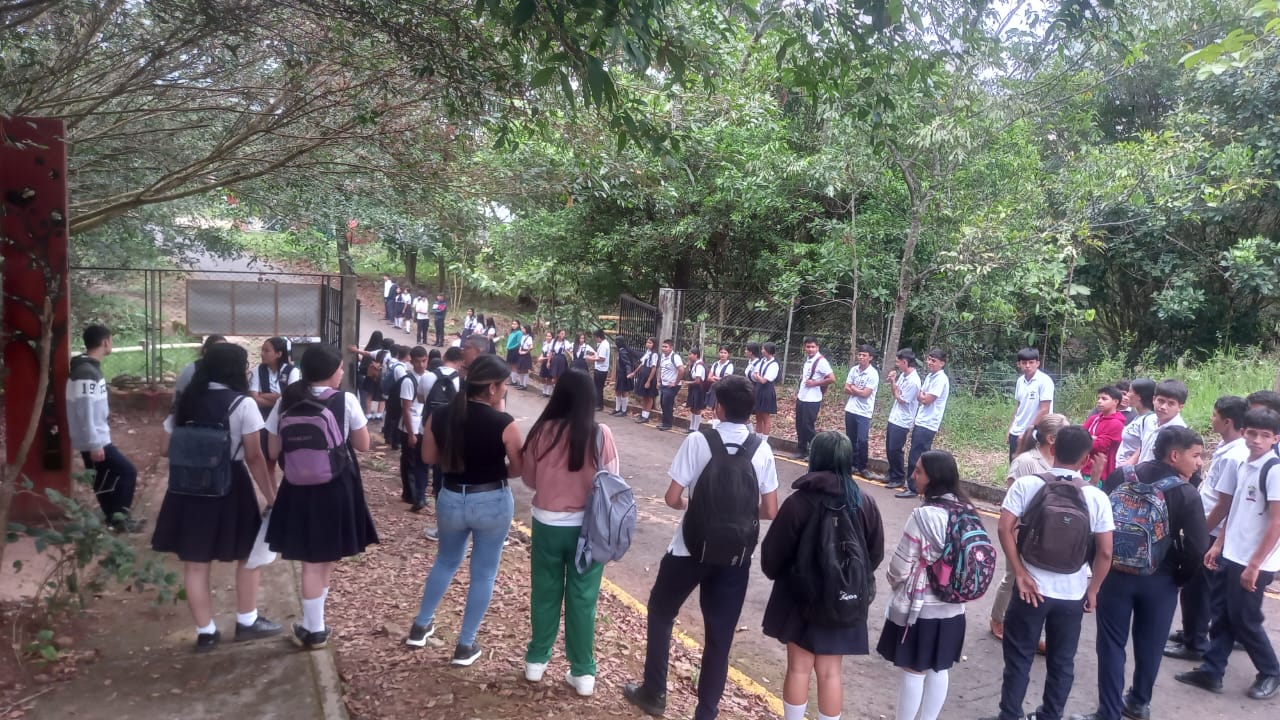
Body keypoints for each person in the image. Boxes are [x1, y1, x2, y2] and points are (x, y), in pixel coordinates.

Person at [622, 375, 780, 720]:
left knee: (662, 612)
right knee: (719, 637)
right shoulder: (762, 449)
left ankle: (653, 692)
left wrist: (692, 507)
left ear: (718, 407)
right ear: (751, 411)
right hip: (736, 556)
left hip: (689, 549)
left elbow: (672, 497)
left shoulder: (698, 440)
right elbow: (770, 510)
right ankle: (706, 712)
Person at [1070, 427, 1209, 720]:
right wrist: (1178, 578)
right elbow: (1197, 549)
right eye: (1196, 456)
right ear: (1175, 455)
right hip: (1160, 579)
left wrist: (1097, 569)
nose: (1199, 463)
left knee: (1110, 644)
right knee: (1151, 642)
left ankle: (1108, 711)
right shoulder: (1185, 493)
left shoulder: (1121, 476)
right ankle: (1138, 702)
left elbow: (1100, 526)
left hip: (1114, 574)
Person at [152, 342, 282, 650]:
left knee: (196, 563)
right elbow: (254, 457)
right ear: (235, 370)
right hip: (230, 486)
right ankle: (247, 621)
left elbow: (164, 448)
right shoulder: (242, 404)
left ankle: (206, 632)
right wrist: (271, 495)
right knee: (248, 555)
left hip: (186, 489)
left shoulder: (187, 401)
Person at [985, 426, 1114, 720]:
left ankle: (1010, 715)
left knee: (1018, 657)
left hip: (1031, 587)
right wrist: (1093, 590)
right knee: (1062, 661)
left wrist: (1019, 572)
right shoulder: (1096, 497)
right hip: (1071, 593)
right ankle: (1050, 715)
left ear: (1052, 450)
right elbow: (1106, 552)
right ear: (1086, 458)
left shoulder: (1028, 484)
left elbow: (1005, 528)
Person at [405, 355, 524, 666]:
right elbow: (518, 469)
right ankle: (465, 644)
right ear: (493, 388)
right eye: (505, 386)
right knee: (483, 574)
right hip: (492, 501)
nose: (506, 391)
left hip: (452, 498)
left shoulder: (441, 415)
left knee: (445, 561)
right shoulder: (505, 424)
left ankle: (420, 626)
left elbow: (429, 457)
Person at [762, 431, 884, 720]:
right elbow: (873, 555)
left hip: (800, 597)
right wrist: (846, 581)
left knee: (798, 668)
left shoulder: (799, 502)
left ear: (815, 458)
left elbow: (772, 557)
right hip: (844, 598)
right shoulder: (864, 503)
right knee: (830, 673)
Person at [265, 344, 378, 650]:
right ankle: (314, 629)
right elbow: (364, 445)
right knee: (319, 560)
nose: (342, 372)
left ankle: (315, 623)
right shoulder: (346, 400)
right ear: (330, 372)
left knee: (316, 559)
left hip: (296, 489)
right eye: (340, 368)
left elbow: (273, 451)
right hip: (336, 487)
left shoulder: (287, 399)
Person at [520, 369, 620, 696]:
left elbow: (530, 481)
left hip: (547, 524)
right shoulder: (601, 434)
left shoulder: (540, 432)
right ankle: (583, 673)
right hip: (587, 531)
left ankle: (536, 662)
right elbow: (612, 483)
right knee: (583, 597)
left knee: (545, 591)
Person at [1175, 407, 1280, 700]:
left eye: (1265, 435)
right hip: (1232, 553)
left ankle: (1271, 670)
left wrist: (1255, 564)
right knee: (1222, 614)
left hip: (1254, 561)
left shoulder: (1274, 471)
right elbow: (1233, 510)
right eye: (1252, 433)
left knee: (1244, 618)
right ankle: (1212, 670)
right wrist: (1219, 545)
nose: (1257, 440)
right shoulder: (1244, 465)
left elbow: (1277, 522)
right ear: (1244, 432)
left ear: (1275, 439)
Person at [879, 450, 970, 720]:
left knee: (913, 670)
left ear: (934, 478)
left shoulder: (924, 516)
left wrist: (894, 583)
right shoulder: (967, 512)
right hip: (954, 607)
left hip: (922, 608)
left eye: (918, 471)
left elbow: (900, 566)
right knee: (939, 669)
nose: (913, 476)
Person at [1166, 396, 1249, 661]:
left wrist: (1200, 533)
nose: (1211, 419)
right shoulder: (1229, 448)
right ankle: (1193, 632)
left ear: (1227, 421)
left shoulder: (1235, 456)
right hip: (1208, 525)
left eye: (1214, 416)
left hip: (1211, 528)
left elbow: (1224, 504)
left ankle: (1195, 642)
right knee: (1198, 588)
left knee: (1197, 589)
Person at [989, 413, 1069, 642]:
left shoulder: (1060, 462)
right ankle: (998, 619)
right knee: (1013, 576)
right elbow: (1011, 503)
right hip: (1022, 532)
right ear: (1052, 438)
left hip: (1048, 534)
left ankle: (1024, 628)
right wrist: (1013, 537)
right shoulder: (1026, 462)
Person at [67, 324, 143, 533]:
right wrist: (95, 443)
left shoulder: (87, 368)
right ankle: (120, 518)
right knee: (127, 472)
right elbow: (85, 411)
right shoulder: (86, 373)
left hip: (93, 437)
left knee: (103, 477)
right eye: (111, 340)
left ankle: (113, 518)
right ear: (105, 342)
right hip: (94, 439)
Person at [418, 347, 464, 542]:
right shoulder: (461, 380)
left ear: (444, 358)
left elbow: (421, 399)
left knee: (427, 470)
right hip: (452, 435)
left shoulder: (427, 377)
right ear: (460, 361)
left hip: (428, 429)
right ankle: (455, 525)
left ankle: (438, 523)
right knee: (449, 478)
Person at [899, 348, 950, 499]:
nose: (929, 363)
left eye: (933, 360)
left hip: (928, 423)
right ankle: (917, 485)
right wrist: (922, 396)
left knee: (917, 455)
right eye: (929, 359)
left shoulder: (941, 379)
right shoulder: (930, 376)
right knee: (918, 453)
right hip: (921, 420)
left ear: (942, 363)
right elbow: (920, 395)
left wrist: (922, 396)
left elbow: (926, 399)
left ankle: (914, 487)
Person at [249, 337, 299, 478]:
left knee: (290, 461)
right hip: (264, 421)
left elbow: (290, 398)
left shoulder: (292, 371)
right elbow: (254, 398)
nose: (262, 354)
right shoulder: (257, 370)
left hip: (285, 419)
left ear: (279, 353)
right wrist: (278, 397)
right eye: (262, 350)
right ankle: (272, 499)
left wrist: (263, 395)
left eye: (266, 350)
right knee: (268, 462)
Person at [884, 349, 921, 492]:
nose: (897, 365)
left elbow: (900, 398)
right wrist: (894, 385)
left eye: (898, 362)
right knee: (889, 448)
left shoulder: (914, 381)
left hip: (903, 420)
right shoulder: (904, 376)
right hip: (894, 417)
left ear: (905, 362)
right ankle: (892, 473)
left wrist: (893, 383)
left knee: (896, 449)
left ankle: (898, 477)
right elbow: (897, 391)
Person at [399, 346, 431, 512]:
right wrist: (411, 433)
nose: (421, 365)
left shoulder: (428, 377)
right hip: (410, 426)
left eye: (424, 361)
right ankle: (409, 493)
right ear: (411, 361)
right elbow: (406, 408)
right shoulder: (408, 381)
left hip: (423, 425)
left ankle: (418, 493)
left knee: (420, 461)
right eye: (417, 362)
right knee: (409, 461)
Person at [1009, 348, 1055, 462]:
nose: (1027, 366)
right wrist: (1011, 428)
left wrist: (1028, 431)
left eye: (1031, 362)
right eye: (1024, 363)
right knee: (1015, 463)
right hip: (1017, 430)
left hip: (1035, 432)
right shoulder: (1020, 381)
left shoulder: (1045, 381)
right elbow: (1019, 406)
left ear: (1037, 363)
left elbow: (1045, 409)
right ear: (1019, 364)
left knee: (1032, 465)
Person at [1129, 379, 1188, 466]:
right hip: (1141, 474)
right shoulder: (1148, 420)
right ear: (1153, 399)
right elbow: (1143, 447)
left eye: (1171, 403)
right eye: (1161, 401)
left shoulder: (1179, 432)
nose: (1163, 407)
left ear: (1180, 407)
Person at [793, 337, 834, 461]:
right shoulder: (808, 360)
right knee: (799, 425)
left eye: (812, 347)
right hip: (802, 397)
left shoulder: (821, 361)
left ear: (817, 347)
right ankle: (802, 450)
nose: (810, 349)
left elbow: (831, 378)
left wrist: (815, 383)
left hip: (812, 399)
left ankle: (816, 452)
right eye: (808, 347)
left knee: (808, 427)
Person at [843, 344, 879, 478]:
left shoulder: (873, 374)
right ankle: (851, 464)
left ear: (870, 358)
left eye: (864, 355)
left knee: (862, 440)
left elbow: (866, 394)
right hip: (851, 409)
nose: (861, 357)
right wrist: (856, 390)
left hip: (864, 411)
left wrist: (854, 389)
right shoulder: (854, 370)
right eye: (860, 355)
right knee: (850, 438)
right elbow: (846, 388)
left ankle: (862, 466)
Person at [1082, 386, 1125, 485]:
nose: (1099, 401)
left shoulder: (1116, 423)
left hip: (1101, 472)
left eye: (1104, 399)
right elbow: (1079, 437)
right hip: (1083, 467)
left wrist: (1088, 439)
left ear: (1115, 402)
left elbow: (1100, 446)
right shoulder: (1093, 419)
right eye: (1099, 398)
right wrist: (1093, 439)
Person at [1116, 379, 1156, 466]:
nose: (1127, 395)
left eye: (1130, 391)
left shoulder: (1150, 420)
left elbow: (1146, 446)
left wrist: (1129, 463)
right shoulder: (1138, 417)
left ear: (1139, 396)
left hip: (1132, 472)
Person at [350, 331, 385, 419]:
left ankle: (367, 413)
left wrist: (355, 351)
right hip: (380, 377)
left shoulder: (369, 348)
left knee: (367, 395)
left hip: (368, 376)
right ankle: (379, 413)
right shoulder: (382, 352)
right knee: (382, 396)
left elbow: (365, 356)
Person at [749, 341, 781, 440]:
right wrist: (758, 377)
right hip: (758, 390)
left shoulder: (774, 364)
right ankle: (758, 439)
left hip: (766, 391)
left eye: (763, 349)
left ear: (768, 351)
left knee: (765, 416)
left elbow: (764, 380)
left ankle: (764, 440)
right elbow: (755, 374)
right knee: (758, 415)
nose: (761, 351)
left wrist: (758, 377)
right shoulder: (762, 361)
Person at [654, 339, 685, 432]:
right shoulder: (663, 356)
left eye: (666, 347)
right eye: (663, 346)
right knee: (663, 404)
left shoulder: (675, 357)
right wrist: (658, 381)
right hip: (664, 383)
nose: (664, 349)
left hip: (672, 385)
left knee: (667, 403)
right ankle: (664, 422)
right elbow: (660, 369)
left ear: (671, 348)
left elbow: (681, 370)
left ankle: (668, 424)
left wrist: (675, 382)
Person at [631, 337, 659, 424]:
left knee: (649, 396)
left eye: (650, 343)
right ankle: (643, 414)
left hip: (649, 376)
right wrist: (634, 372)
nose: (648, 344)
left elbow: (654, 368)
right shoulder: (647, 352)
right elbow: (642, 364)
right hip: (643, 376)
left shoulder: (654, 354)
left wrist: (649, 381)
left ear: (654, 344)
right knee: (644, 396)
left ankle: (646, 416)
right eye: (647, 342)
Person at [586, 328, 611, 412]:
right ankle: (598, 404)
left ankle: (599, 405)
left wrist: (591, 359)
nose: (595, 340)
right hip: (600, 368)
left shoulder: (604, 345)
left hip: (601, 369)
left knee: (598, 387)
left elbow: (602, 358)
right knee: (597, 387)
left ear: (598, 337)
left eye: (595, 338)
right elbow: (598, 356)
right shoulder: (603, 344)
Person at [684, 347, 708, 434]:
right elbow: (687, 373)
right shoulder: (693, 364)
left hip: (699, 389)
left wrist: (688, 383)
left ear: (696, 355)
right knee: (693, 408)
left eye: (690, 354)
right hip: (694, 388)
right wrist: (689, 365)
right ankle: (691, 427)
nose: (689, 356)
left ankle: (696, 428)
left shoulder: (699, 365)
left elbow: (698, 381)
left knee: (697, 409)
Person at [705, 346, 734, 415]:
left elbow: (726, 379)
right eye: (721, 352)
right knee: (712, 410)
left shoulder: (729, 365)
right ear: (718, 353)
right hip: (714, 389)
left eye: (725, 353)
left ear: (728, 354)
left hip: (723, 390)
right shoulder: (715, 364)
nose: (723, 354)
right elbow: (709, 378)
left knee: (719, 410)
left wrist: (714, 377)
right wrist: (719, 379)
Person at [611, 336, 636, 416]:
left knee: (624, 392)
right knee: (617, 391)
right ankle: (618, 409)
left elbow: (627, 363)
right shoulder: (620, 351)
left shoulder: (623, 352)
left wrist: (628, 373)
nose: (616, 343)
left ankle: (624, 411)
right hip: (620, 374)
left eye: (617, 341)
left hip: (624, 375)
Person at [515, 324, 534, 390]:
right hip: (521, 352)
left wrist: (526, 352)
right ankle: (521, 384)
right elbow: (521, 344)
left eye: (523, 329)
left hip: (525, 354)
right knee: (519, 369)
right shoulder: (523, 336)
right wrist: (520, 350)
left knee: (525, 370)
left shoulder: (529, 338)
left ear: (527, 330)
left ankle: (524, 385)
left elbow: (531, 347)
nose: (522, 330)